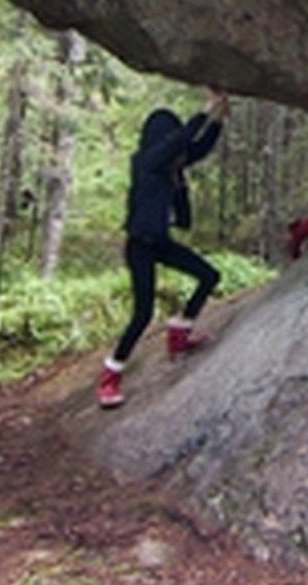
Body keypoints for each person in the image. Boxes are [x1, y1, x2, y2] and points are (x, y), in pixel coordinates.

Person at [98, 87, 229, 409]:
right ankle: (110, 376)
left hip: (161, 243)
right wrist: (204, 110)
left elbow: (197, 148)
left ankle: (180, 333)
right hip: (140, 246)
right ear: (161, 137)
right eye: (170, 137)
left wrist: (218, 119)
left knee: (209, 276)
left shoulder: (172, 167)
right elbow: (180, 142)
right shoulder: (146, 161)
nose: (177, 148)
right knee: (142, 315)